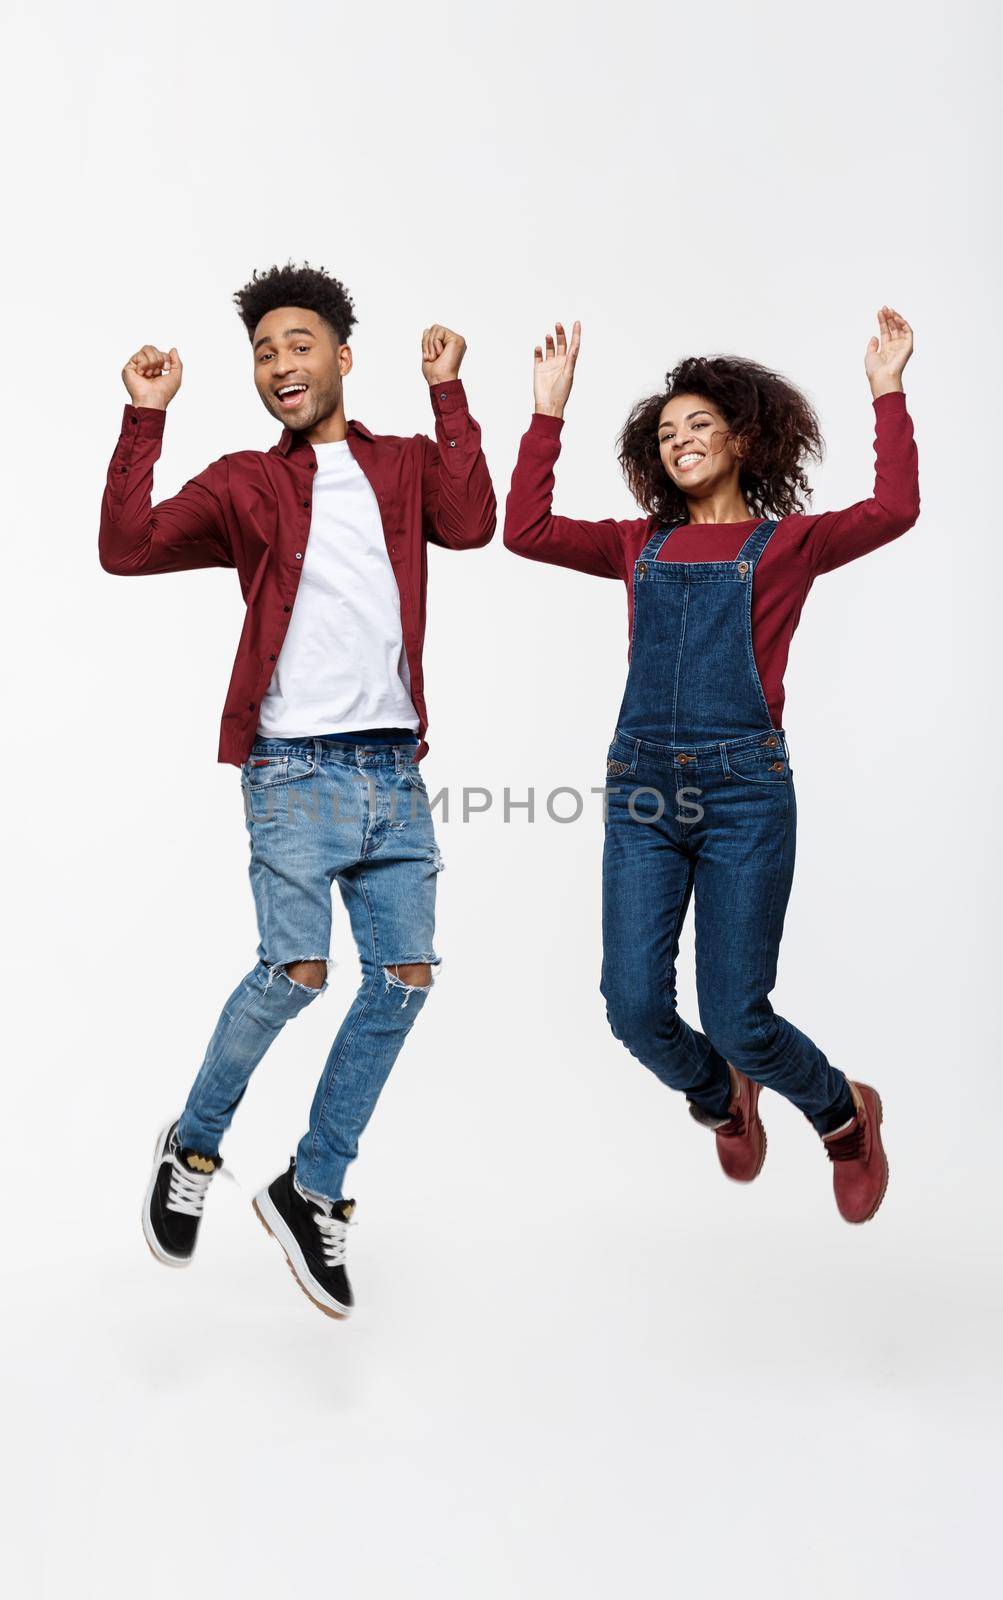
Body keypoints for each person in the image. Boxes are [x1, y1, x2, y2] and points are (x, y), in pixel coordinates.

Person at [99, 261, 496, 1316]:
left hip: (393, 766)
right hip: (292, 765)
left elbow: (472, 522)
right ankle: (195, 1145)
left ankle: (312, 1181)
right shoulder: (243, 480)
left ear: (341, 357)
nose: (281, 363)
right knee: (294, 972)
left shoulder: (405, 464)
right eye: (264, 352)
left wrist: (448, 393)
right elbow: (125, 547)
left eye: (298, 344)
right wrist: (145, 422)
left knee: (404, 976)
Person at [503, 308, 918, 1223]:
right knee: (631, 1008)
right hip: (642, 792)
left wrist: (886, 391)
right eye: (664, 432)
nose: (680, 439)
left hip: (745, 797)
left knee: (739, 1018)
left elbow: (894, 510)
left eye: (698, 423)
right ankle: (720, 1098)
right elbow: (524, 532)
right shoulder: (632, 545)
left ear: (743, 436)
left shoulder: (791, 543)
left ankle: (844, 1115)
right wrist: (546, 413)